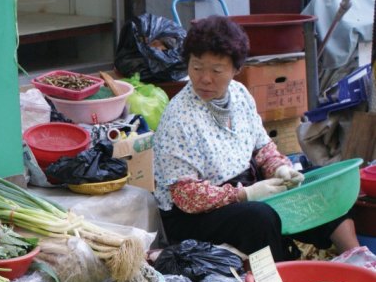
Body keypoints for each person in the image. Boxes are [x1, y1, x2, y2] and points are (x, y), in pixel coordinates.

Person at [152, 16, 358, 261]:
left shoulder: (239, 94)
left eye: (216, 70)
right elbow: (186, 196)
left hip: (246, 188)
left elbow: (262, 147)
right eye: (196, 67)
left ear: (236, 69)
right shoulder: (179, 117)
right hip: (194, 215)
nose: (205, 78)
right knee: (260, 217)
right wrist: (245, 195)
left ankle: (359, 261)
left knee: (318, 192)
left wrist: (280, 168)